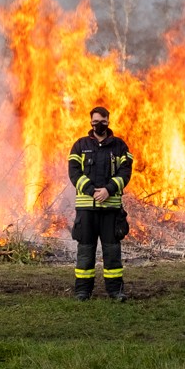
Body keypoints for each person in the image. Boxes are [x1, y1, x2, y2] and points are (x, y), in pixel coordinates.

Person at [68, 105, 133, 300]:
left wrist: (108, 190)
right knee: (85, 251)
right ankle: (82, 291)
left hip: (110, 209)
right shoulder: (80, 146)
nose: (99, 125)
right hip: (86, 209)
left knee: (112, 251)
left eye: (103, 122)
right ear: (90, 122)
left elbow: (125, 172)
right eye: (95, 121)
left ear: (108, 122)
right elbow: (74, 172)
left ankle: (115, 291)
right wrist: (90, 191)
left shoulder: (120, 146)